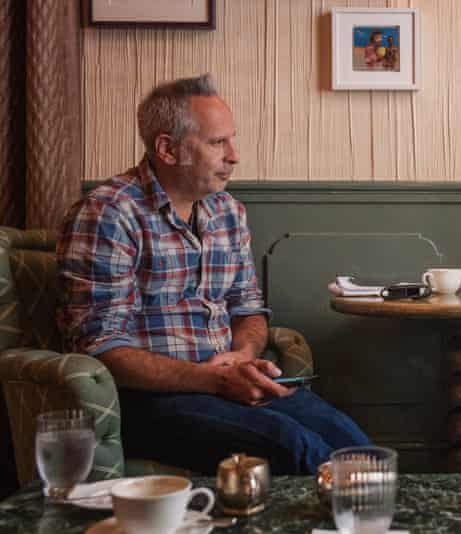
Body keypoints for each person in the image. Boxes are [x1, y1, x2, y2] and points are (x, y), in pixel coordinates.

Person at [56, 74, 370, 475]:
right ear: (168, 149)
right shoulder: (109, 214)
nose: (234, 155)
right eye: (217, 142)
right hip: (147, 399)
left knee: (356, 446)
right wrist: (213, 380)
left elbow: (248, 310)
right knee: (295, 447)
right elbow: (99, 346)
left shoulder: (227, 212)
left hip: (229, 384)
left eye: (231, 139)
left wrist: (243, 355)